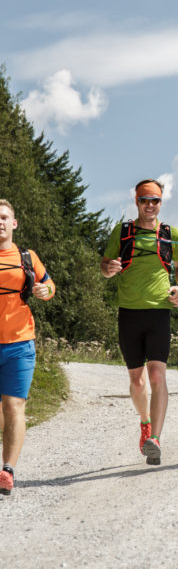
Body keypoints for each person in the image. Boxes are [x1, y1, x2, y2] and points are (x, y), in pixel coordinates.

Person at [100, 179, 178, 466]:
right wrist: (110, 269)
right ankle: (145, 423)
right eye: (144, 200)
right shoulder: (123, 232)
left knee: (157, 376)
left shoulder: (170, 233)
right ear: (136, 201)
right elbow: (106, 265)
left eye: (155, 200)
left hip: (159, 313)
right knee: (137, 382)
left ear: (161, 202)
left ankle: (156, 440)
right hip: (129, 313)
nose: (150, 205)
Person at [0, 199, 56, 496]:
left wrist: (45, 290)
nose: (0, 221)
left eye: (4, 217)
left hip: (20, 342)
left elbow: (49, 286)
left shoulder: (26, 256)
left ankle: (7, 470)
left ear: (14, 223)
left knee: (14, 406)